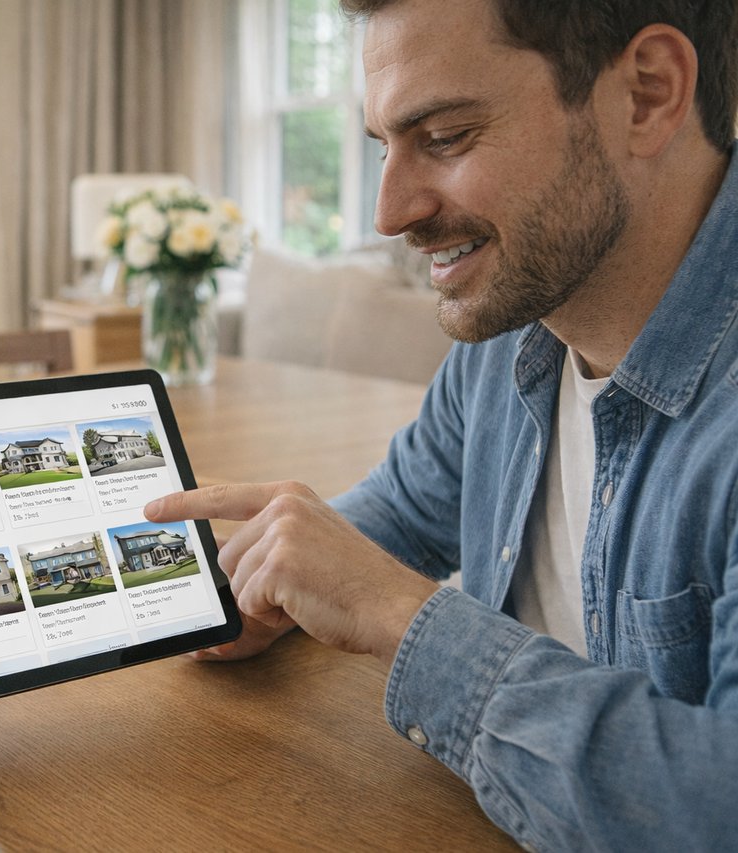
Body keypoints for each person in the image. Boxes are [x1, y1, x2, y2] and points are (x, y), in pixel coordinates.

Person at [147, 0, 738, 848]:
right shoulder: (517, 331)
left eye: (446, 137)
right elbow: (400, 511)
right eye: (385, 147)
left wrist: (404, 614)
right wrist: (262, 572)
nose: (388, 214)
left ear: (647, 93)